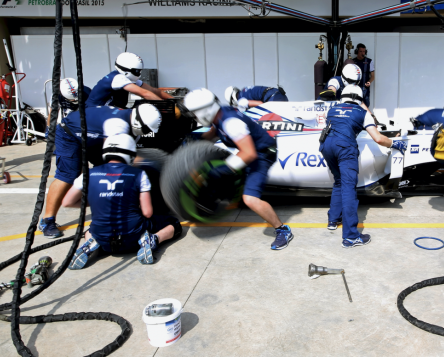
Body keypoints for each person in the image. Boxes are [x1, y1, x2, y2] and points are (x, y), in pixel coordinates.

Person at [182, 88, 293, 250]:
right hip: (254, 150)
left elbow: (248, 153)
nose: (194, 117)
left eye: (194, 113)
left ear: (204, 111)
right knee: (222, 174)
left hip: (262, 155)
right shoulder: (219, 114)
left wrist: (217, 172)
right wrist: (195, 140)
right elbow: (214, 132)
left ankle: (282, 230)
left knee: (250, 198)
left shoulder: (231, 123)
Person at [39, 104, 162, 238]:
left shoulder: (129, 116)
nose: (145, 133)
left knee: (111, 169)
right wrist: (154, 164)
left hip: (91, 136)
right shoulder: (118, 125)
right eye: (145, 130)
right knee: (68, 175)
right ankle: (47, 220)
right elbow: (118, 154)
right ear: (139, 124)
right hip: (69, 135)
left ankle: (115, 201)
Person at [64, 134, 182, 269]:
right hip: (133, 236)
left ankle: (90, 243)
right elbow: (148, 212)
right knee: (174, 223)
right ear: (130, 153)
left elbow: (67, 202)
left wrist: (97, 201)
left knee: (90, 230)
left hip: (103, 238)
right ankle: (153, 240)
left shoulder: (89, 174)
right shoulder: (138, 174)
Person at [320, 85, 407, 247]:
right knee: (348, 188)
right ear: (359, 100)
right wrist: (394, 143)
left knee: (338, 181)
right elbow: (379, 139)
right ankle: (351, 236)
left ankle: (333, 220)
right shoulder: (363, 113)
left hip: (326, 146)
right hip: (345, 148)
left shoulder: (332, 110)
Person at [86, 52, 170, 109]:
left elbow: (153, 90)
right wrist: (167, 106)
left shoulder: (127, 79)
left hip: (107, 111)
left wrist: (175, 102)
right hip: (94, 113)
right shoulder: (118, 78)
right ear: (126, 70)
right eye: (136, 71)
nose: (139, 74)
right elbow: (145, 93)